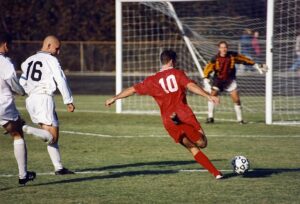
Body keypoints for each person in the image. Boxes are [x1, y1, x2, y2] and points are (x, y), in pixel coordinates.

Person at [105, 50, 223, 179]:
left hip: (168, 121)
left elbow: (132, 90)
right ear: (172, 61)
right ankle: (183, 125)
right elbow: (190, 85)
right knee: (202, 143)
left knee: (192, 148)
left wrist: (115, 98)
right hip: (183, 114)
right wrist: (208, 96)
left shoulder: (152, 80)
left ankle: (216, 173)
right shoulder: (178, 73)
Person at [0, 33, 55, 185]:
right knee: (17, 134)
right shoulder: (4, 62)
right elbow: (12, 81)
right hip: (3, 105)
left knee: (14, 128)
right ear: (5, 44)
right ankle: (23, 175)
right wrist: (22, 91)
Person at [20, 35, 75, 175]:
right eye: (57, 48)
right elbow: (61, 80)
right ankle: (24, 128)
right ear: (49, 45)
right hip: (44, 98)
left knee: (51, 135)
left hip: (31, 100)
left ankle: (59, 168)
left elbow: (22, 81)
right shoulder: (51, 60)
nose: (58, 52)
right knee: (53, 137)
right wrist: (68, 100)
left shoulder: (28, 61)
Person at [203, 41, 267, 124]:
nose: (223, 49)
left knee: (236, 100)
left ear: (227, 48)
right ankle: (210, 117)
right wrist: (206, 77)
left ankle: (240, 120)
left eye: (225, 47)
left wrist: (255, 65)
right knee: (212, 96)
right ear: (219, 48)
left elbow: (244, 59)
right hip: (218, 80)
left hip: (230, 80)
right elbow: (208, 68)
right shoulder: (215, 58)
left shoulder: (232, 55)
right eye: (222, 47)